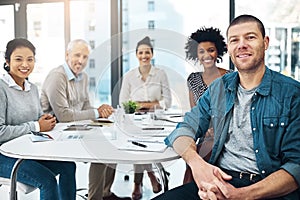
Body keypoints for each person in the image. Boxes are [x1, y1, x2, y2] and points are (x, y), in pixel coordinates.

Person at [153, 14, 300, 200]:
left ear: (265, 42)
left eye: (250, 37)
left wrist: (240, 195)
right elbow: (184, 129)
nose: (242, 45)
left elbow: (296, 166)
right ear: (229, 48)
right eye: (234, 40)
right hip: (220, 182)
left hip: (266, 189)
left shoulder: (291, 93)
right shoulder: (218, 88)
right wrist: (197, 165)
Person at [40, 39, 129, 200]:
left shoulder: (84, 77)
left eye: (85, 57)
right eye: (77, 55)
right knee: (101, 149)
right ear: (67, 55)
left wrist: (102, 114)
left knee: (111, 142)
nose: (81, 61)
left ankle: (105, 194)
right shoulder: (57, 76)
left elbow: (87, 107)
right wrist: (97, 113)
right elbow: (64, 117)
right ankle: (95, 197)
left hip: (76, 129)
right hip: (55, 134)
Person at [0, 38, 76, 200]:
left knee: (68, 166)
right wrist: (36, 125)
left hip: (27, 150)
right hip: (4, 155)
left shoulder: (32, 88)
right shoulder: (1, 89)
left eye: (30, 59)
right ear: (7, 61)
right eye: (18, 59)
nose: (25, 65)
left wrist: (44, 120)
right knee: (47, 180)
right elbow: (0, 132)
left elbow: (36, 120)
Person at [119, 36, 172, 200]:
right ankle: (149, 175)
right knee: (138, 144)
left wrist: (145, 105)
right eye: (141, 52)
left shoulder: (160, 74)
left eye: (147, 52)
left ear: (152, 54)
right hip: (135, 120)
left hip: (156, 119)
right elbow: (123, 102)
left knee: (141, 146)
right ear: (136, 55)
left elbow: (167, 102)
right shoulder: (129, 76)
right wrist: (145, 105)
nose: (144, 56)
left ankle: (137, 184)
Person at [183, 27, 231, 184]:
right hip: (204, 136)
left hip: (227, 135)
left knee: (204, 154)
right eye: (201, 51)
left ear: (218, 52)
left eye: (210, 50)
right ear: (196, 55)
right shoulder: (193, 79)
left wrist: (217, 129)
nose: (206, 55)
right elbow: (195, 113)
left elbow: (236, 111)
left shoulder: (230, 76)